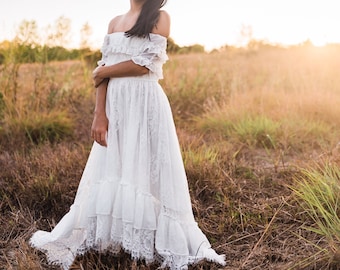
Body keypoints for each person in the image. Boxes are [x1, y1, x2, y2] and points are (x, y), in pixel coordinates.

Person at [29, 0, 226, 269]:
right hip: (116, 107)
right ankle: (118, 235)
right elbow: (101, 77)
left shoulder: (160, 17)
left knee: (147, 167)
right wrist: (100, 113)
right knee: (116, 167)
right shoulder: (114, 22)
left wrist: (103, 70)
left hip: (146, 104)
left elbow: (146, 64)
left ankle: (151, 239)